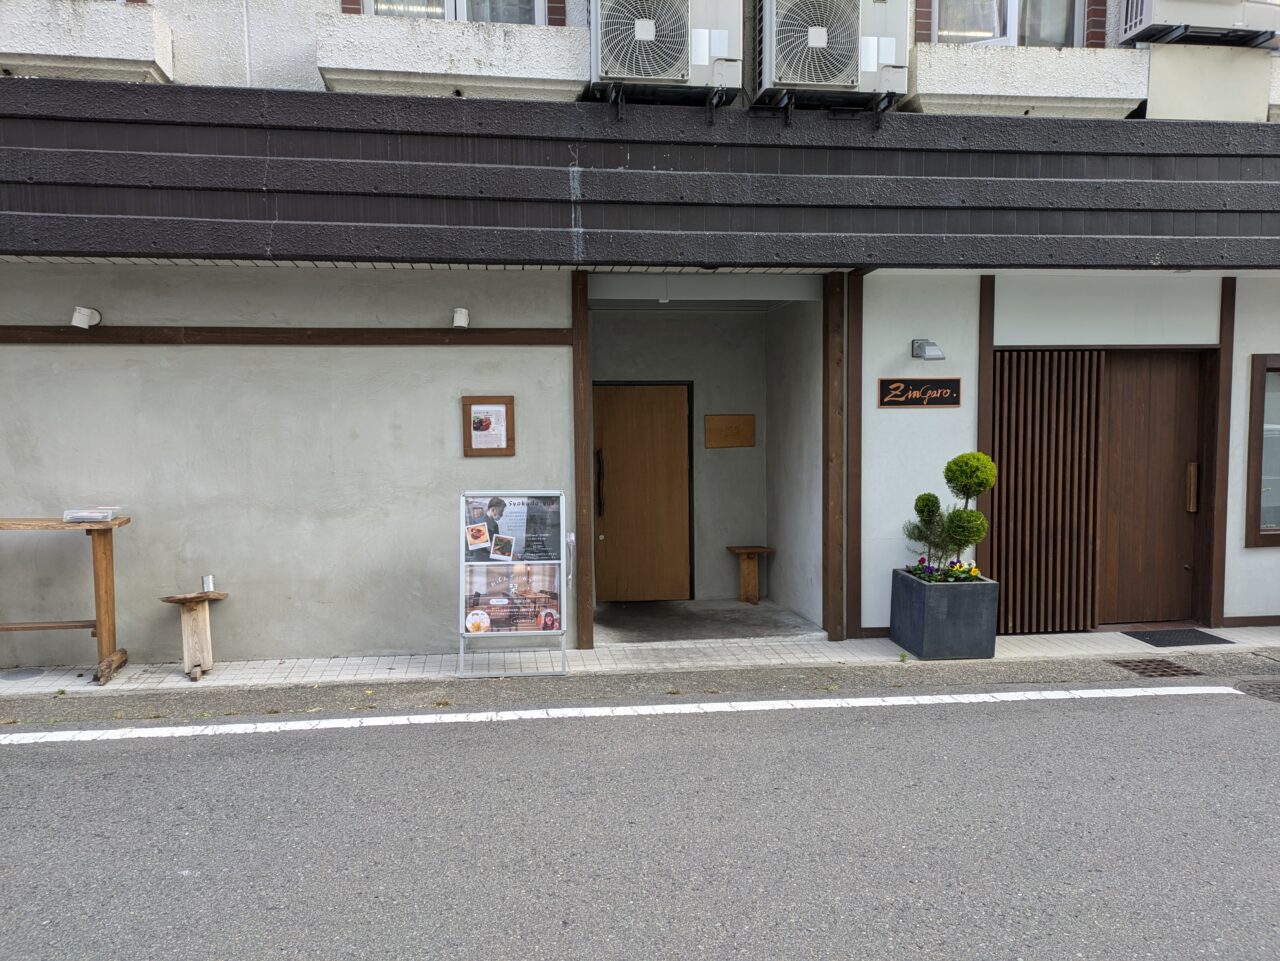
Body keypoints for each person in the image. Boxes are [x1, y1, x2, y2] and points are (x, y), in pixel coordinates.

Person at [467, 497, 505, 562]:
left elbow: (497, 545)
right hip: (480, 561)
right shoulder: (477, 523)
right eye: (501, 511)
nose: (502, 515)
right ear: (493, 509)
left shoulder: (495, 525)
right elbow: (489, 547)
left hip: (491, 558)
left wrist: (506, 550)